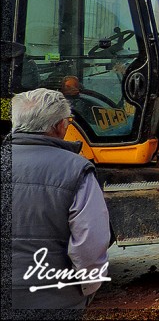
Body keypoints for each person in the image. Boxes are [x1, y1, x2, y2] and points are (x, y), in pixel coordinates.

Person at [5, 88, 111, 311]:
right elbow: (89, 243)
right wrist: (87, 288)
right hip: (54, 297)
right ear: (60, 126)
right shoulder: (77, 170)